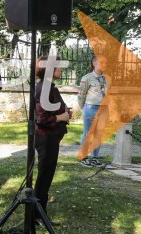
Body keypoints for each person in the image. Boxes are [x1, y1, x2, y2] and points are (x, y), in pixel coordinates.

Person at [34, 55, 72, 221]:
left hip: (51, 137)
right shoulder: (45, 88)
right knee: (44, 176)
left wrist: (64, 112)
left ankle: (40, 212)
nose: (61, 69)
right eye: (58, 66)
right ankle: (37, 214)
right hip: (46, 138)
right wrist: (61, 117)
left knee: (46, 175)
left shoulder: (48, 87)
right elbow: (42, 118)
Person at [77, 55, 107, 167]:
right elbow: (81, 94)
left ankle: (95, 157)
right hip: (91, 108)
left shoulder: (107, 78)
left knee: (99, 134)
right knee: (87, 133)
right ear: (94, 64)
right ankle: (84, 157)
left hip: (103, 109)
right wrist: (84, 108)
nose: (104, 65)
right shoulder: (87, 78)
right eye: (102, 62)